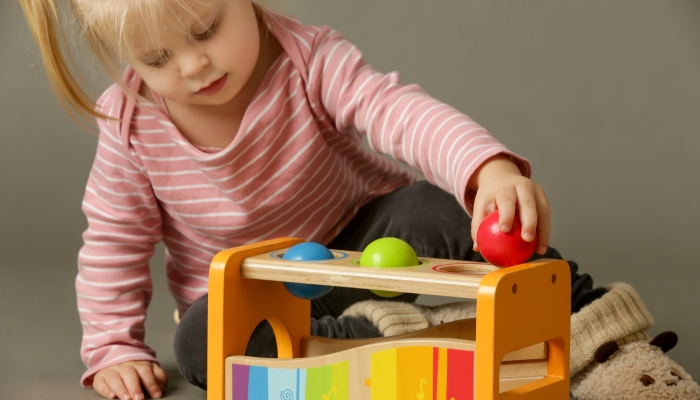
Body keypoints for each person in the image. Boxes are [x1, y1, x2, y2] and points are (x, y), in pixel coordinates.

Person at [19, 1, 696, 399]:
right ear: (124, 64)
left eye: (205, 29)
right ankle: (398, 347)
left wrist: (485, 167)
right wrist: (113, 348)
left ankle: (591, 330)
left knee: (439, 206)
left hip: (369, 242)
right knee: (203, 349)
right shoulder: (131, 126)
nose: (194, 66)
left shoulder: (309, 59)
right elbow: (113, 241)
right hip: (260, 291)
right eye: (157, 60)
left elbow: (398, 112)